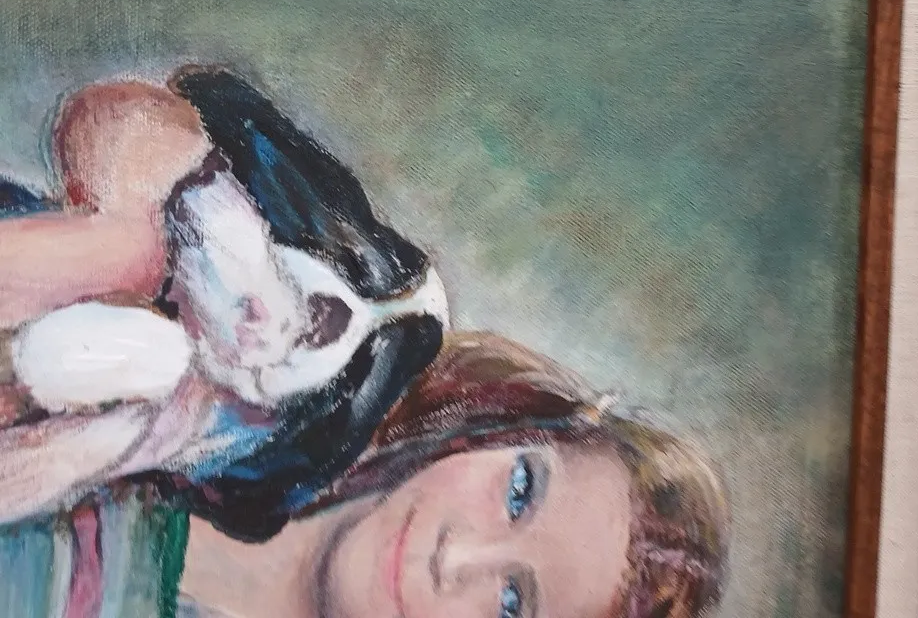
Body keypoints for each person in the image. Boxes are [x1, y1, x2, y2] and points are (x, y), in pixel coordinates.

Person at [0, 67, 449, 541]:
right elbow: (107, 117)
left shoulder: (205, 428)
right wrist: (189, 205)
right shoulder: (197, 209)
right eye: (316, 317)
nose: (261, 325)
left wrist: (121, 437)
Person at [177, 331, 732, 618]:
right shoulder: (241, 365)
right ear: (501, 421)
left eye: (511, 606)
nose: (455, 557)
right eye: (520, 490)